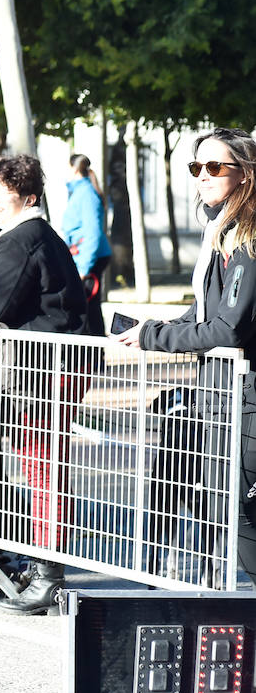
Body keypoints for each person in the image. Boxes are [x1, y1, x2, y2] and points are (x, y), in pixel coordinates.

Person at [0, 154, 92, 614]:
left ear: (27, 197)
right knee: (41, 469)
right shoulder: (34, 234)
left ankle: (48, 576)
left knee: (43, 471)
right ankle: (41, 565)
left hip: (47, 367)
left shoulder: (22, 237)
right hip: (56, 364)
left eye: (0, 193)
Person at [116, 128, 256, 586]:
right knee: (227, 508)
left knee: (243, 512)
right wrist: (152, 327)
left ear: (245, 173)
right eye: (197, 167)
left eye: (215, 167)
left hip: (245, 391)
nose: (203, 176)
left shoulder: (248, 238)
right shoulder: (222, 229)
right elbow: (204, 311)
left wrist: (154, 338)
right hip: (218, 389)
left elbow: (229, 327)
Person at [61, 153, 112, 337]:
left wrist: (84, 268)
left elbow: (93, 234)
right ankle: (92, 359)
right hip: (82, 256)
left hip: (89, 258)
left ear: (74, 169)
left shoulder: (86, 194)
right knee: (87, 307)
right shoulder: (79, 191)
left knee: (89, 309)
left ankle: (94, 359)